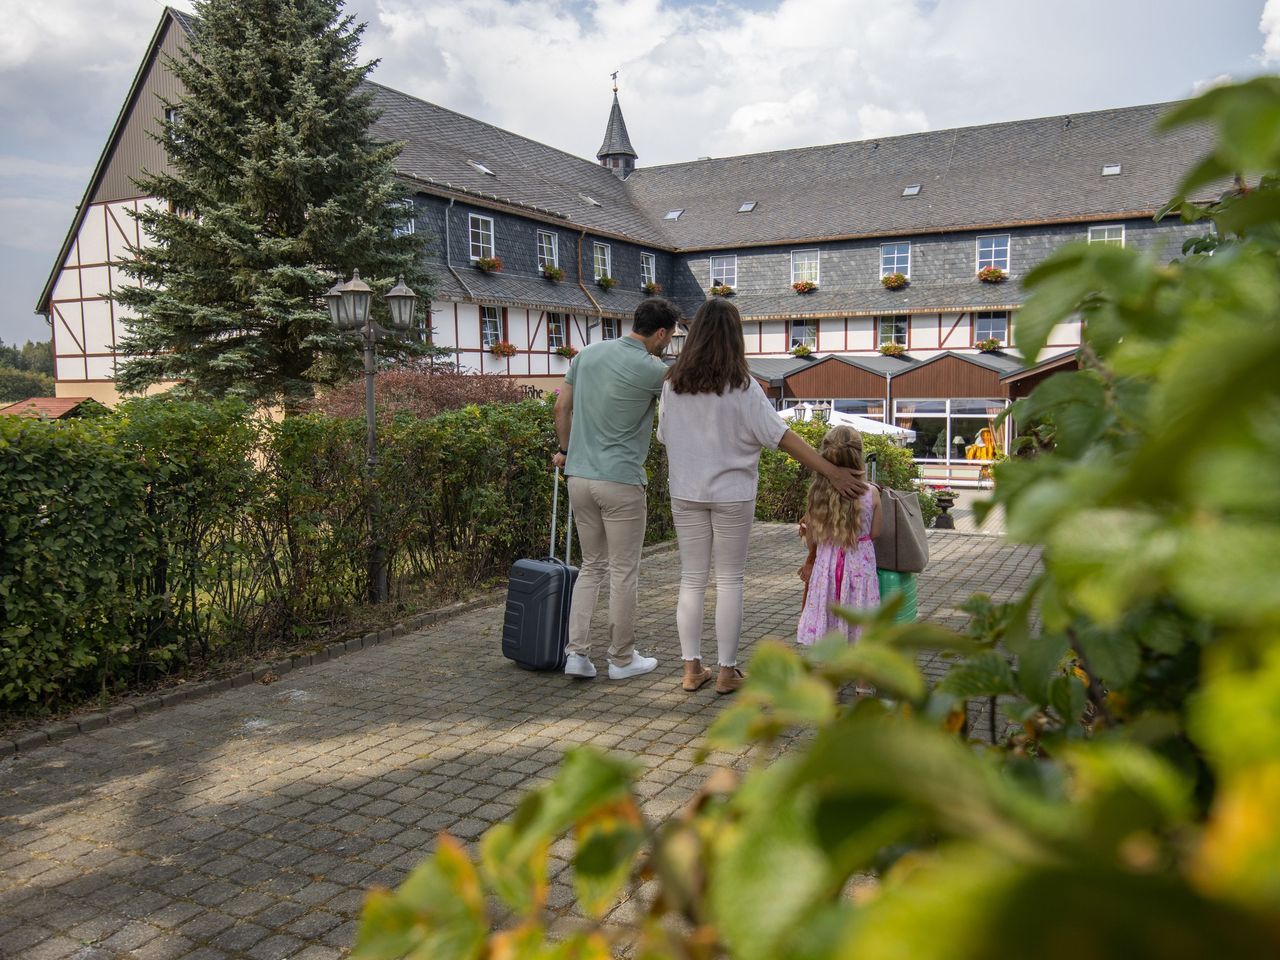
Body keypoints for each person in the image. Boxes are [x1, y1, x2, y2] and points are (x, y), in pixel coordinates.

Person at [658, 299, 866, 695]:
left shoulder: (672, 384)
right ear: (735, 338)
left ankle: (690, 670)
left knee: (692, 579)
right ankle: (725, 672)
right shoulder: (743, 387)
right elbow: (783, 438)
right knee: (730, 580)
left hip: (685, 491)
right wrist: (832, 472)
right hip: (733, 494)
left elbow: (665, 437)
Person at [552, 297, 681, 680]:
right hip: (621, 481)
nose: (668, 345)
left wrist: (564, 450)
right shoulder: (653, 370)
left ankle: (576, 654)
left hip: (578, 477)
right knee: (624, 572)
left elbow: (562, 409)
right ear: (660, 333)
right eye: (670, 338)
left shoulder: (586, 355)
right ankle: (622, 659)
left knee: (591, 567)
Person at [796, 425, 882, 646]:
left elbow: (812, 539)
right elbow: (876, 532)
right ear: (858, 456)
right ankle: (863, 681)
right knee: (863, 622)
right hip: (860, 569)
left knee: (829, 618)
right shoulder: (870, 492)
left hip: (826, 567)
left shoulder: (818, 494)